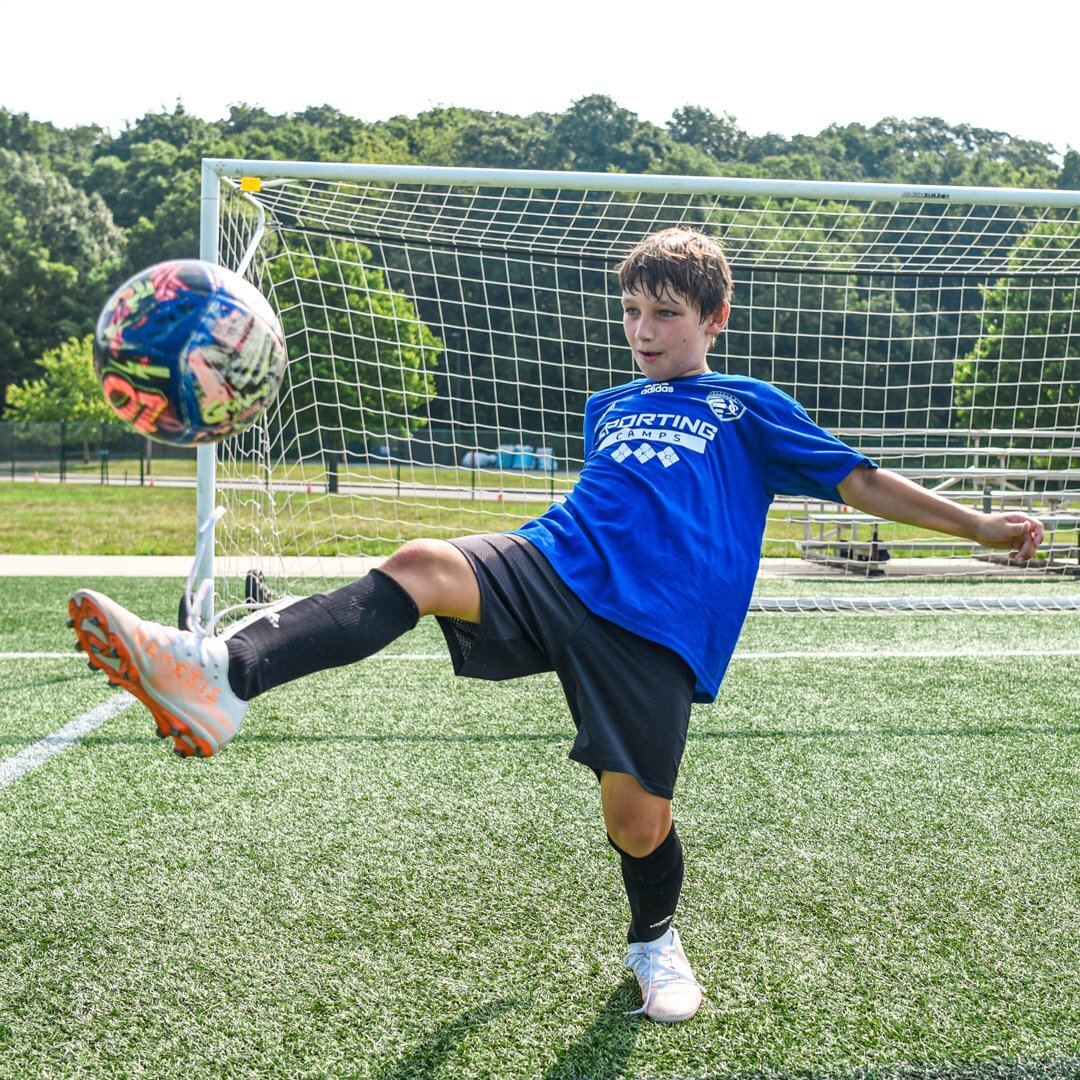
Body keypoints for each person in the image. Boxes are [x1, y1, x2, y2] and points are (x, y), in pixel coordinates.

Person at [70, 228, 1044, 1024]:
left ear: (714, 319)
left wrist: (979, 527)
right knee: (422, 564)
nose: (643, 330)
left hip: (655, 626)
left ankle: (654, 941)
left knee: (636, 822)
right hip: (556, 561)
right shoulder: (608, 405)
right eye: (632, 311)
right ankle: (222, 673)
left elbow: (859, 481)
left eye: (666, 314)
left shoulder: (746, 406)